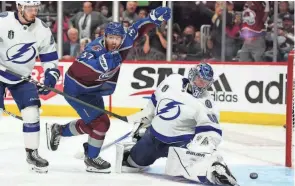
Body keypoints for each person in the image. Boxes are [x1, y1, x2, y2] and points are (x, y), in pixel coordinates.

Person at [46, 6, 171, 173]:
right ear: (104, 36)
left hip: (94, 90)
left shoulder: (125, 41)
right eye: (111, 38)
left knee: (95, 124)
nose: (114, 42)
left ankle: (59, 130)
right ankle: (91, 158)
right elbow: (79, 68)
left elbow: (138, 28)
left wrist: (153, 18)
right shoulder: (94, 50)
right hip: (77, 89)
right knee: (101, 123)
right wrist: (99, 65)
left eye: (117, 38)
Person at [115, 63, 238, 186]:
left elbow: (211, 129)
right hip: (153, 137)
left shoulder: (206, 102)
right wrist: (143, 121)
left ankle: (215, 169)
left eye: (205, 82)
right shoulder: (172, 81)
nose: (201, 84)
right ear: (192, 75)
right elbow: (153, 104)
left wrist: (204, 144)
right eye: (199, 80)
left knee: (193, 168)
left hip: (180, 144)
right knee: (133, 162)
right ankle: (133, 152)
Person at [0, 1, 60, 173]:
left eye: (36, 8)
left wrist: (50, 76)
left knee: (32, 112)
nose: (34, 12)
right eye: (29, 8)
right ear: (19, 8)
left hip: (22, 77)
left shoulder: (42, 29)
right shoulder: (3, 22)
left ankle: (32, 153)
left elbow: (49, 58)